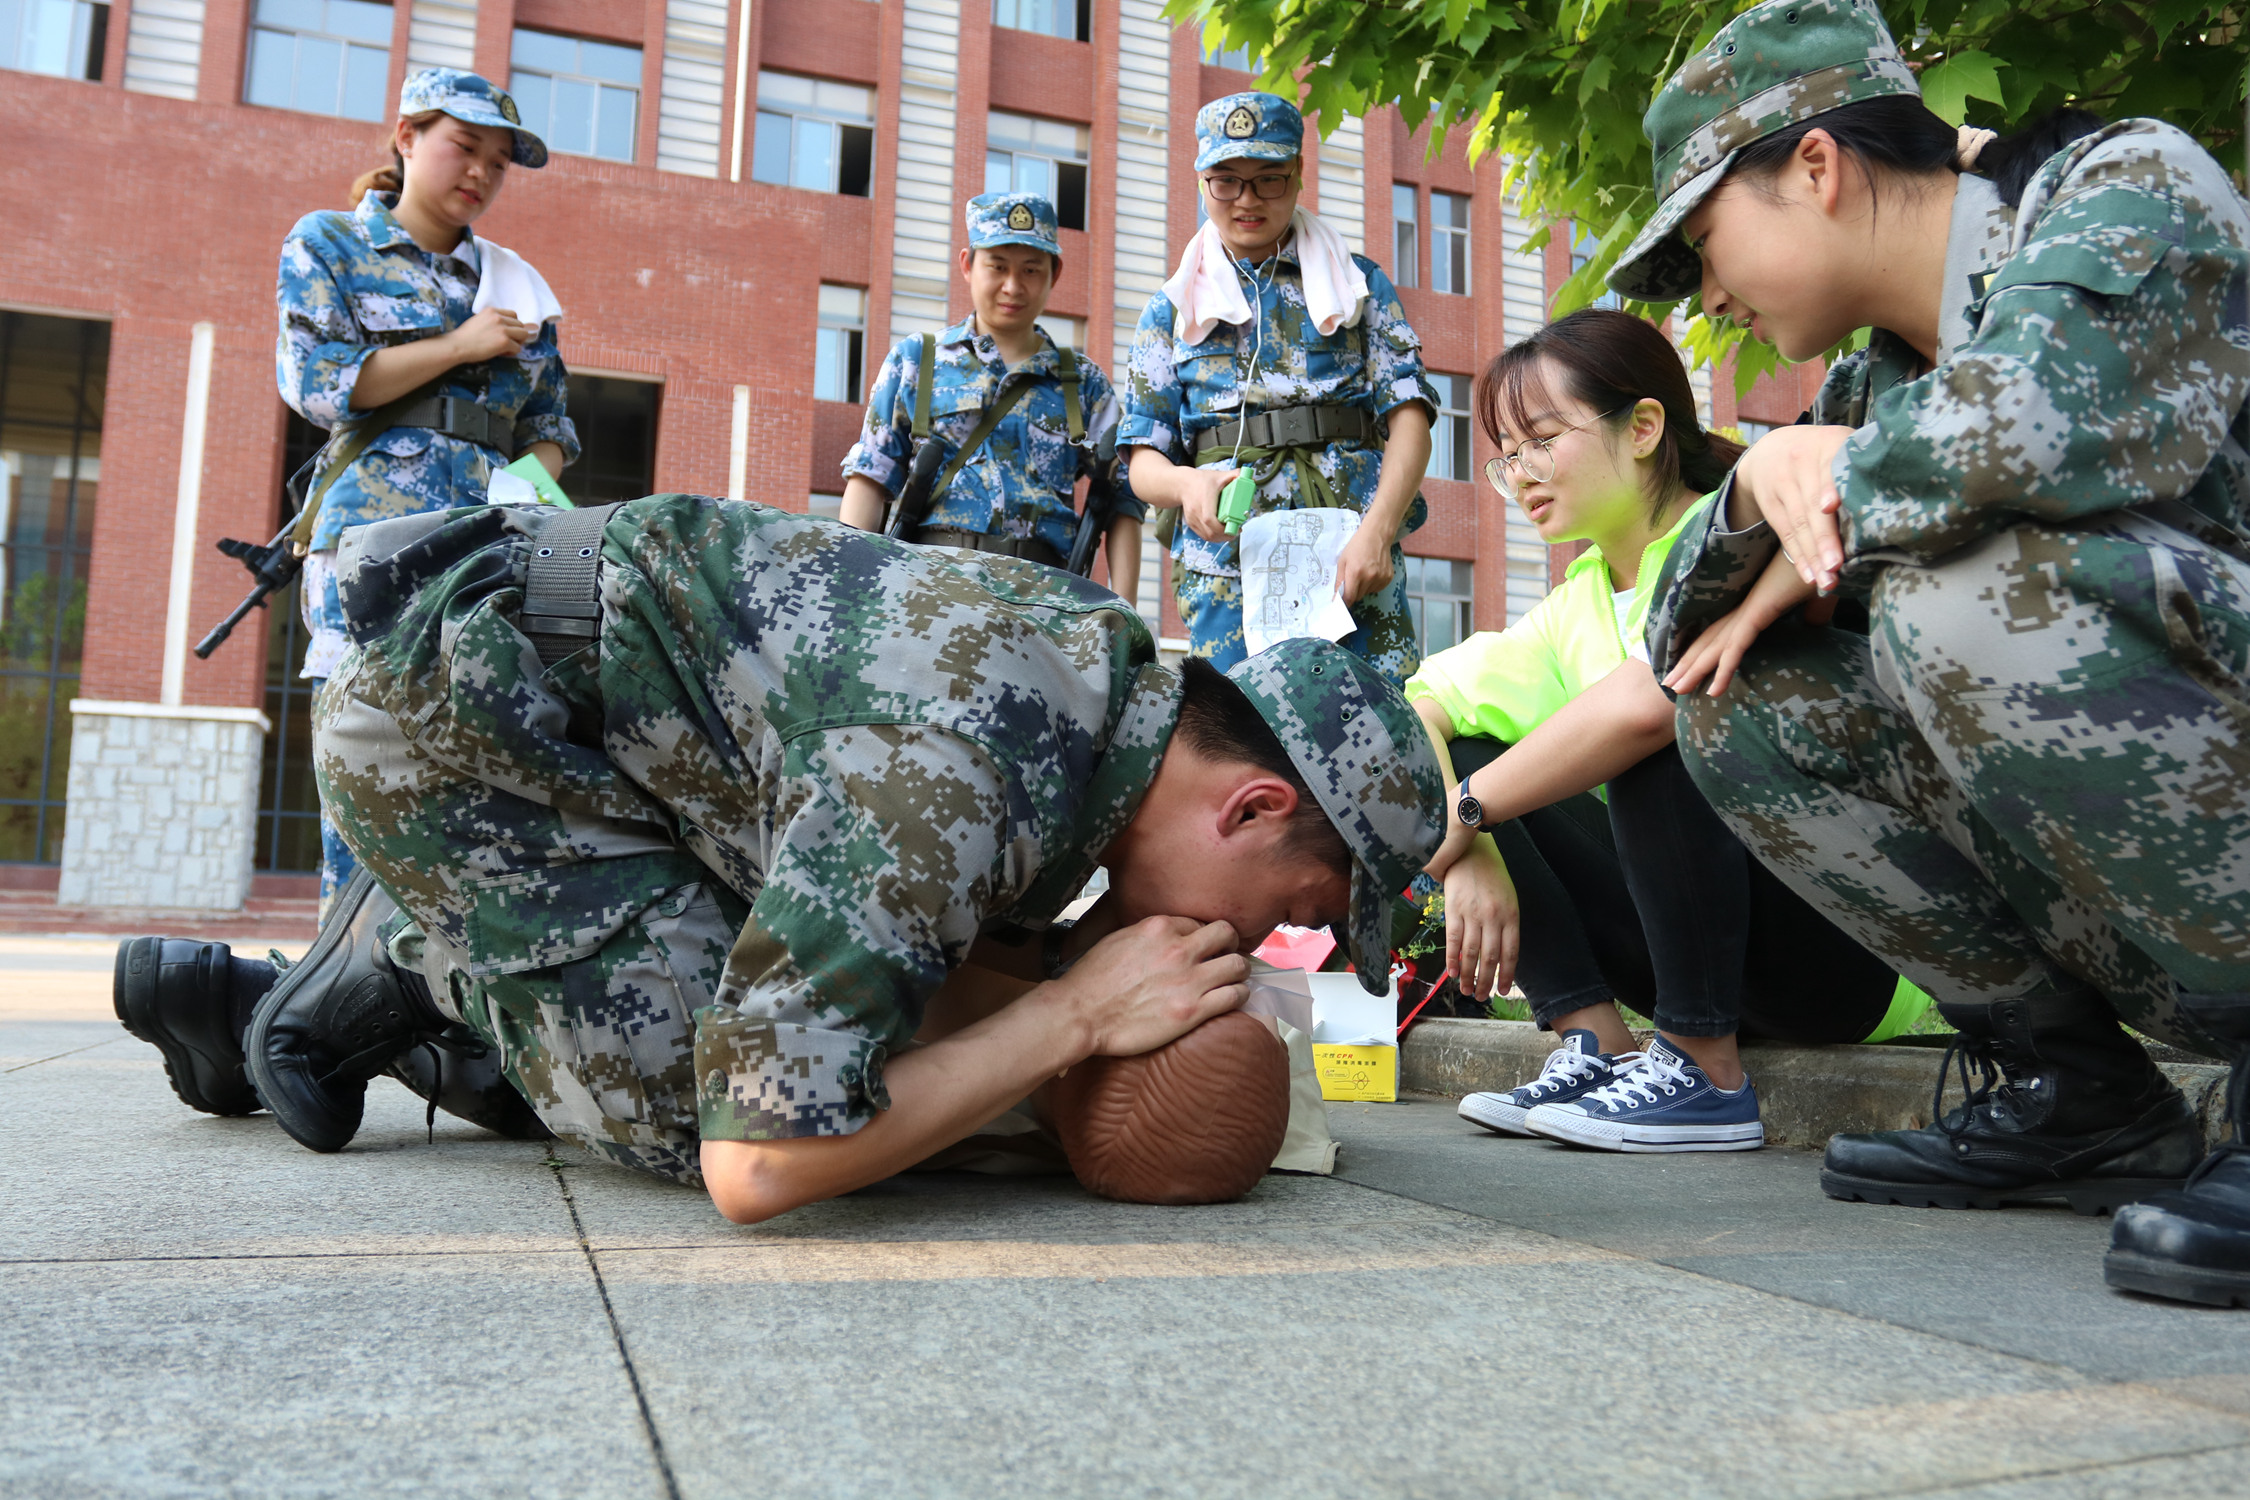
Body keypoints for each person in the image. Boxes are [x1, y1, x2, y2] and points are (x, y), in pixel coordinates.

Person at [113, 494, 1443, 1225]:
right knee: (686, 1101)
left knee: (841, 1019)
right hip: (456, 736)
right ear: (1253, 806)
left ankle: (456, 976)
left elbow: (930, 919)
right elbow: (760, 1168)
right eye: (1303, 913)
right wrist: (1075, 1014)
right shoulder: (956, 777)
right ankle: (422, 961)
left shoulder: (1096, 670)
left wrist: (1058, 999)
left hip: (598, 728)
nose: (1282, 945)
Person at [1607, 0, 2249, 1303]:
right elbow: (1674, 630)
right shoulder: (1872, 384)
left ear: (1815, 166)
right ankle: (2083, 1097)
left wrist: (1815, 483)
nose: (1709, 298)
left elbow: (2025, 432)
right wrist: (1754, 492)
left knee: (1959, 592)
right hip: (2166, 876)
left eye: (1705, 243)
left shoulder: (2122, 183)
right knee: (1740, 703)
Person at [1413, 308, 1924, 1154]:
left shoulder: (1738, 528)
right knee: (1476, 752)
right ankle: (1596, 1043)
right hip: (1716, 956)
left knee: (1660, 723)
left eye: (1541, 439)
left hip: (1847, 951)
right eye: (1505, 457)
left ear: (1644, 426)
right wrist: (1470, 853)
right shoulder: (1574, 603)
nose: (1521, 473)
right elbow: (1426, 705)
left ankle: (1706, 1073)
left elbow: (1650, 704)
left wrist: (1463, 817)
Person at [277, 67, 578, 916]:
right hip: (371, 540)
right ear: (407, 137)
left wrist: (516, 496)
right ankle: (345, 982)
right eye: (464, 147)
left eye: (499, 162)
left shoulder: (518, 286)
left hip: (484, 552)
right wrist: (460, 344)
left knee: (475, 762)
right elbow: (321, 384)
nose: (480, 172)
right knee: (363, 757)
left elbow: (552, 429)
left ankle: (453, 1003)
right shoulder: (331, 244)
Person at [1119, 91, 1436, 684]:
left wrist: (1379, 531)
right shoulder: (1170, 311)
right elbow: (1142, 462)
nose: (1247, 200)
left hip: (1352, 562)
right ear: (1201, 180)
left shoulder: (1357, 284)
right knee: (1238, 748)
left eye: (1268, 179)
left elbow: (1411, 416)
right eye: (1226, 181)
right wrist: (1187, 483)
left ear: (1297, 174)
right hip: (1228, 572)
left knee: (1376, 738)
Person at [840, 192, 1143, 594]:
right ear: (967, 264)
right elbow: (871, 478)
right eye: (997, 267)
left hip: (1043, 602)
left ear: (1055, 273)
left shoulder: (1083, 383)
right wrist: (843, 591)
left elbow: (1124, 502)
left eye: (1031, 270)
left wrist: (1126, 617)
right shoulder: (917, 361)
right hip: (928, 591)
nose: (1013, 286)